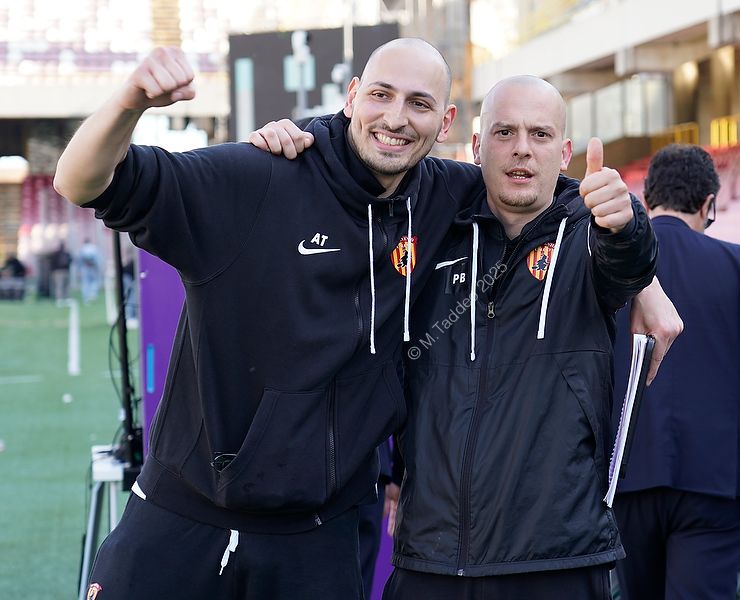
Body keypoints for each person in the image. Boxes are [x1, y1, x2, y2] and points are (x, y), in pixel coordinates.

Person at [54, 39, 486, 600]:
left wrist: (615, 239)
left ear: (445, 121)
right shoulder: (260, 175)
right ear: (353, 96)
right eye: (381, 95)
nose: (396, 118)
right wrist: (129, 102)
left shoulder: (445, 195)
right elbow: (80, 182)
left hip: (321, 536)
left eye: (419, 104)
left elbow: (538, 200)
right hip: (185, 518)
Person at [251, 75, 663, 599]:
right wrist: (299, 141)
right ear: (476, 147)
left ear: (564, 155)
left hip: (557, 562)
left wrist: (627, 225)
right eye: (504, 132)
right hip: (431, 562)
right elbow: (368, 167)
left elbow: (628, 262)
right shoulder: (430, 232)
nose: (521, 149)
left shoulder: (588, 239)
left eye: (539, 135)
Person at [610, 144, 740, 600]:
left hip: (627, 473)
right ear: (709, 204)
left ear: (647, 200)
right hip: (719, 480)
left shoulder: (611, 262)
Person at [78, 238, 101, 302]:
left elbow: (80, 260)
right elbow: (97, 259)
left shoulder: (83, 249)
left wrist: (79, 269)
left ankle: (86, 297)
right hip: (92, 267)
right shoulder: (94, 248)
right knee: (94, 282)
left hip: (85, 268)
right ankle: (93, 295)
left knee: (86, 283)